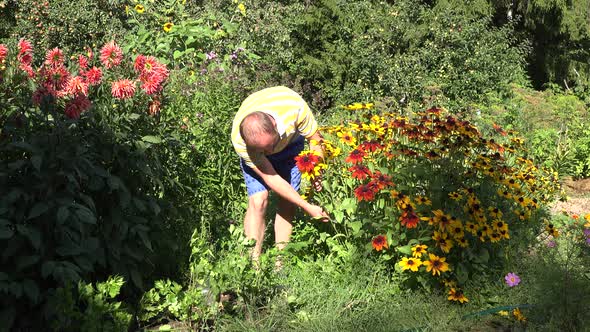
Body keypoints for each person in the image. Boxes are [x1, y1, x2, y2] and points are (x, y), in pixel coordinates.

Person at [231, 86, 329, 260]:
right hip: (257, 157)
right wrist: (307, 207)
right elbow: (271, 177)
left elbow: (316, 140)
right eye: (263, 150)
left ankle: (279, 262)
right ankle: (252, 267)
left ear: (275, 125)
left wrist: (316, 169)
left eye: (271, 146)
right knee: (258, 200)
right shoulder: (241, 142)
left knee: (287, 200)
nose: (270, 153)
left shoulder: (294, 108)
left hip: (290, 145)